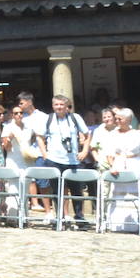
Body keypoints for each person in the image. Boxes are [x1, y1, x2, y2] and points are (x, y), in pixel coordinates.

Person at [38, 94, 89, 224]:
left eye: (62, 104)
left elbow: (87, 134)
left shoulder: (75, 118)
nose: (59, 107)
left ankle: (79, 218)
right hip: (54, 160)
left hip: (73, 161)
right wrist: (45, 154)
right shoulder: (48, 119)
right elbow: (39, 137)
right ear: (53, 106)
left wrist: (84, 150)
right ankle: (59, 216)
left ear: (67, 106)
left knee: (77, 191)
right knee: (56, 190)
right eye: (56, 104)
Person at [102, 106, 140, 233]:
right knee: (117, 194)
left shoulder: (137, 134)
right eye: (117, 119)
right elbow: (109, 153)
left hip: (135, 165)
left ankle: (138, 224)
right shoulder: (113, 134)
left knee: (137, 194)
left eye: (120, 119)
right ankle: (116, 223)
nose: (117, 121)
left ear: (128, 120)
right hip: (118, 165)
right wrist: (112, 166)